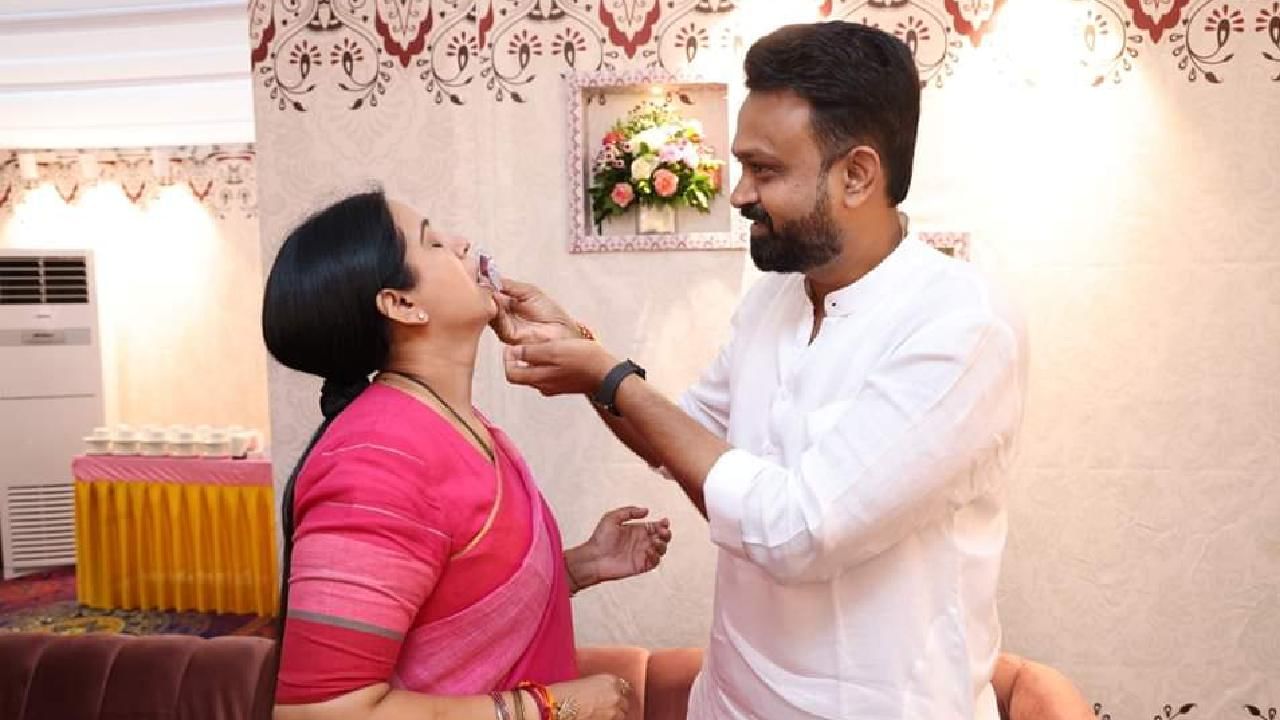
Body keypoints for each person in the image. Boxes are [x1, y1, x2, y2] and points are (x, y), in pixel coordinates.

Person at [491, 21, 1028, 720]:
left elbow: (797, 533)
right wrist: (584, 352)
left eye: (765, 170)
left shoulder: (960, 326)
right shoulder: (775, 296)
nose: (740, 193)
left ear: (857, 174)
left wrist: (609, 375)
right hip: (728, 702)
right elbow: (680, 438)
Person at [261, 189, 671, 720]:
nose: (462, 244)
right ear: (401, 303)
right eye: (434, 241)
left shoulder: (457, 425)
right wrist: (549, 708)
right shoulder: (379, 460)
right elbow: (320, 714)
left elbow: (449, 600)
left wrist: (580, 566)